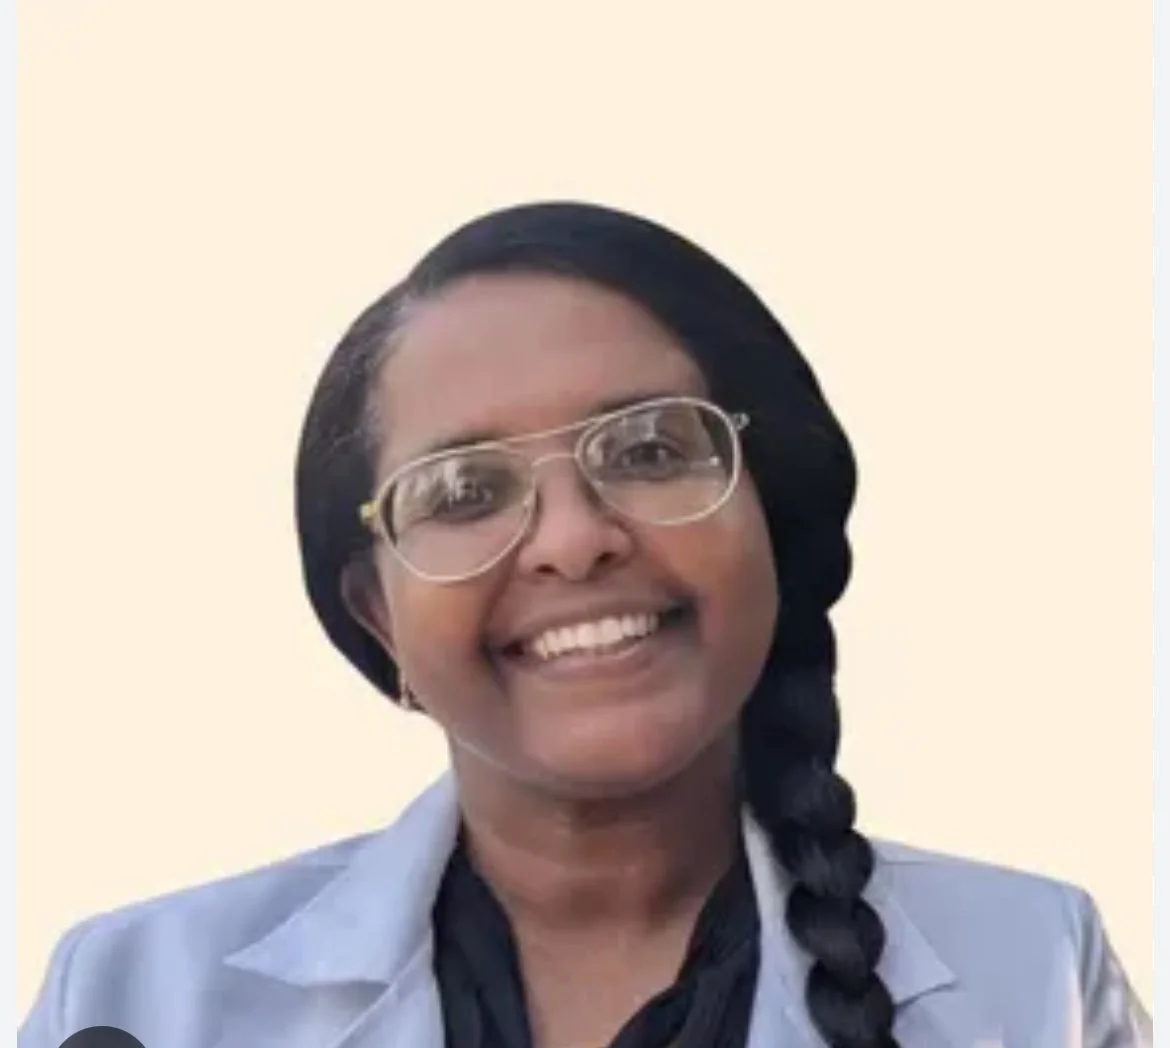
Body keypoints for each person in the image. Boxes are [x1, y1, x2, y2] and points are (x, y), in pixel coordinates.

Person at [20, 202, 1150, 1048]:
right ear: (379, 616)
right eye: (463, 491)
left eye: (651, 449)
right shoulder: (135, 1002)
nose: (572, 539)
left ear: (772, 522)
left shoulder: (1034, 973)